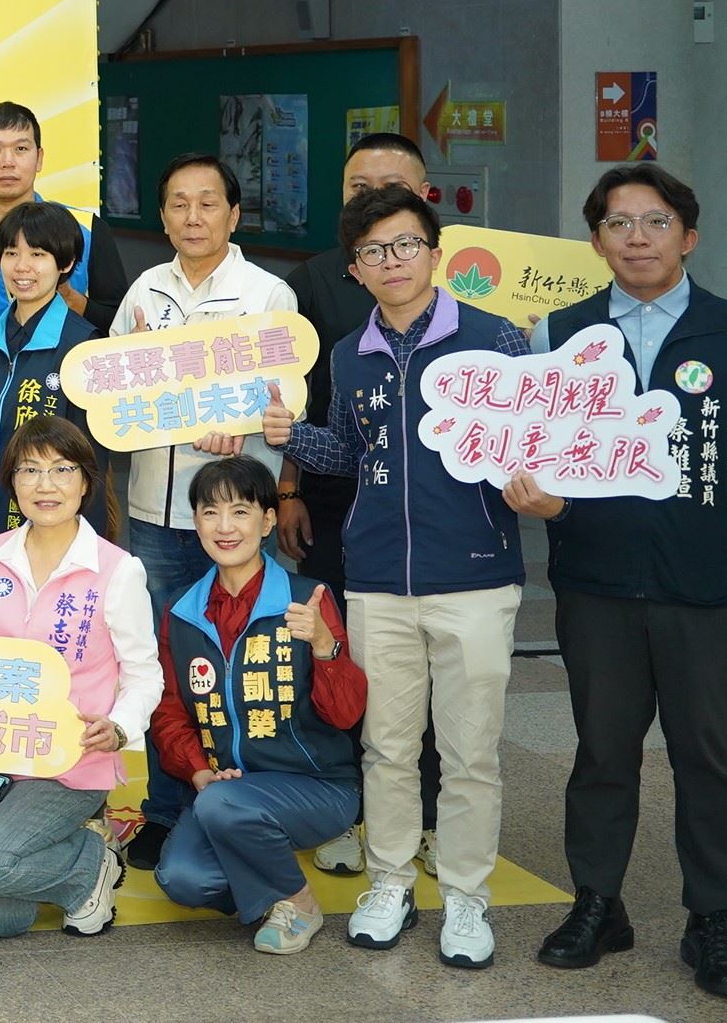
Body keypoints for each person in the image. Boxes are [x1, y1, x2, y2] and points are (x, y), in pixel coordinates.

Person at [263, 183, 529, 968]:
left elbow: (533, 441)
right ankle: (388, 885)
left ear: (434, 253)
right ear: (354, 268)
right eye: (373, 251)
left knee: (469, 751)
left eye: (406, 244)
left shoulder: (493, 338)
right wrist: (291, 436)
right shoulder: (349, 354)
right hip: (377, 579)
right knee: (384, 747)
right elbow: (351, 455)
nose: (392, 261)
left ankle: (466, 897)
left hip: (474, 575)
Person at [512, 163, 727, 998]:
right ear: (595, 241)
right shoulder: (559, 335)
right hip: (596, 583)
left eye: (655, 223)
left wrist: (723, 534)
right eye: (618, 223)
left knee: (706, 757)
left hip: (704, 589)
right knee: (602, 751)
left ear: (688, 237)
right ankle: (596, 903)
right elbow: (533, 447)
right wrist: (536, 493)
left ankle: (712, 919)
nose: (637, 238)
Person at [108, 154, 294, 870]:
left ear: (233, 214)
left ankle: (245, 804)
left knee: (242, 665)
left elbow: (285, 398)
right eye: (178, 204)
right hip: (155, 514)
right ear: (162, 217)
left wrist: (246, 422)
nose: (193, 217)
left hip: (233, 521)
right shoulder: (144, 291)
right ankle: (165, 807)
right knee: (165, 666)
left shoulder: (267, 293)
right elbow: (112, 392)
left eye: (208, 203)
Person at [273, 131, 433, 878]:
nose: (371, 200)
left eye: (388, 187)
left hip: (445, 519)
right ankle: (350, 811)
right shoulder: (312, 280)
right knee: (343, 662)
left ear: (423, 200)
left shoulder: (466, 293)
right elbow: (301, 405)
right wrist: (288, 489)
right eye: (356, 188)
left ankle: (428, 819)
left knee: (439, 679)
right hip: (344, 508)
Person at [0, 417, 159, 938]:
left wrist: (120, 727)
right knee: (0, 916)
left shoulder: (118, 568)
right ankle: (83, 855)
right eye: (30, 470)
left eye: (62, 470)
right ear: (12, 482)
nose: (46, 485)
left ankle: (88, 859)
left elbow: (144, 672)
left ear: (85, 482)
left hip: (73, 760)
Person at [148, 455, 366, 956]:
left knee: (222, 807)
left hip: (317, 787)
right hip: (226, 789)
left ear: (268, 521)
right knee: (181, 878)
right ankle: (263, 866)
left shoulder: (306, 598)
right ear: (195, 521)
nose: (224, 527)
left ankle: (299, 902)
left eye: (241, 512)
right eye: (210, 512)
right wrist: (199, 771)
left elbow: (346, 714)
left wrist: (324, 647)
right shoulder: (181, 611)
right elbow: (169, 710)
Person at [0, 101, 130, 352]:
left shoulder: (87, 231)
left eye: (21, 148)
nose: (7, 162)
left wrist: (71, 299)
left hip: (67, 376)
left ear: (39, 158)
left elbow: (120, 325)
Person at [0, 200, 96, 541]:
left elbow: (90, 461)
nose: (22, 267)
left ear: (65, 263)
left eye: (38, 254)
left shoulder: (82, 346)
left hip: (46, 527)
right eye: (11, 253)